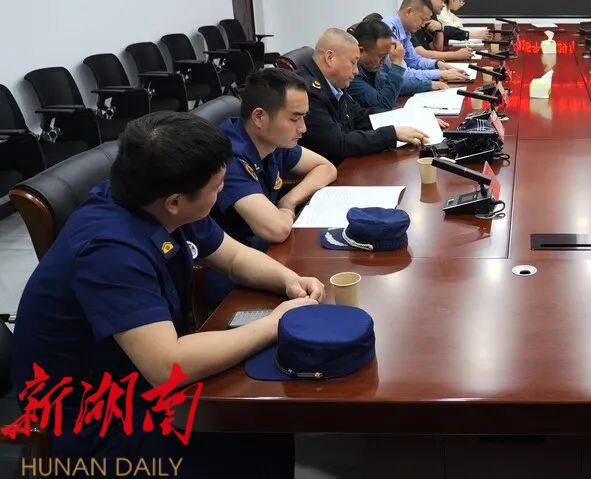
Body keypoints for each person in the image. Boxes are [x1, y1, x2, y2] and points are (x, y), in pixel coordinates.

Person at [11, 112, 323, 478]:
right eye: (217, 187)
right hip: (91, 417)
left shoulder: (155, 196)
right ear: (175, 201)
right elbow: (167, 366)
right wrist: (274, 323)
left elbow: (234, 257)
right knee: (256, 431)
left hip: (132, 377)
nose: (221, 192)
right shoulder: (111, 251)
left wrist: (289, 280)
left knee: (265, 419)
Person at [214, 68, 337, 249]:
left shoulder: (271, 140)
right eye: (294, 119)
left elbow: (326, 168)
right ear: (259, 117)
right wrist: (285, 211)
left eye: (304, 117)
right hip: (238, 255)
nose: (303, 128)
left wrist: (289, 201)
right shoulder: (228, 158)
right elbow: (277, 230)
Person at [296, 28, 431, 165]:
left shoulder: (331, 83)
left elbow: (359, 116)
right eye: (353, 62)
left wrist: (409, 118)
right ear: (330, 58)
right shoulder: (306, 92)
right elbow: (337, 144)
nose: (356, 71)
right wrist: (392, 134)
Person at [346, 18, 447, 108]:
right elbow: (383, 104)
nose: (383, 62)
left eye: (386, 56)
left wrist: (428, 85)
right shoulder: (351, 75)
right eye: (380, 56)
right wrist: (397, 64)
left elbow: (390, 86)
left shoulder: (371, 66)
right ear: (360, 51)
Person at [384, 0, 469, 87]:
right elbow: (402, 76)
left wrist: (437, 64)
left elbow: (414, 61)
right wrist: (440, 74)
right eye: (423, 19)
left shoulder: (405, 30)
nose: (423, 25)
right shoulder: (388, 32)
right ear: (409, 12)